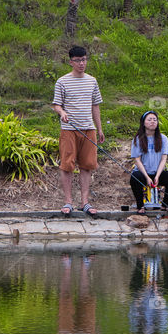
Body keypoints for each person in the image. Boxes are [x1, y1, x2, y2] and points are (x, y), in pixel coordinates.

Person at [52, 46, 104, 216]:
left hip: (89, 128)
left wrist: (99, 128)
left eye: (84, 59)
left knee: (87, 165)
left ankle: (85, 202)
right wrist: (62, 112)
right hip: (69, 129)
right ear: (71, 62)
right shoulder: (62, 81)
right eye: (78, 60)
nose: (82, 63)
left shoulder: (92, 81)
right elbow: (56, 105)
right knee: (67, 165)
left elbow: (95, 105)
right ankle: (68, 202)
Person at [129, 110, 168, 213]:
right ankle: (140, 206)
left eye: (155, 120)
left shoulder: (163, 139)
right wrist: (147, 177)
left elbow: (164, 159)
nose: (152, 122)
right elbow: (137, 160)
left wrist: (157, 176)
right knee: (135, 177)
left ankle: (167, 205)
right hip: (143, 173)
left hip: (157, 173)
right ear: (143, 123)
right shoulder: (138, 139)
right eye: (149, 119)